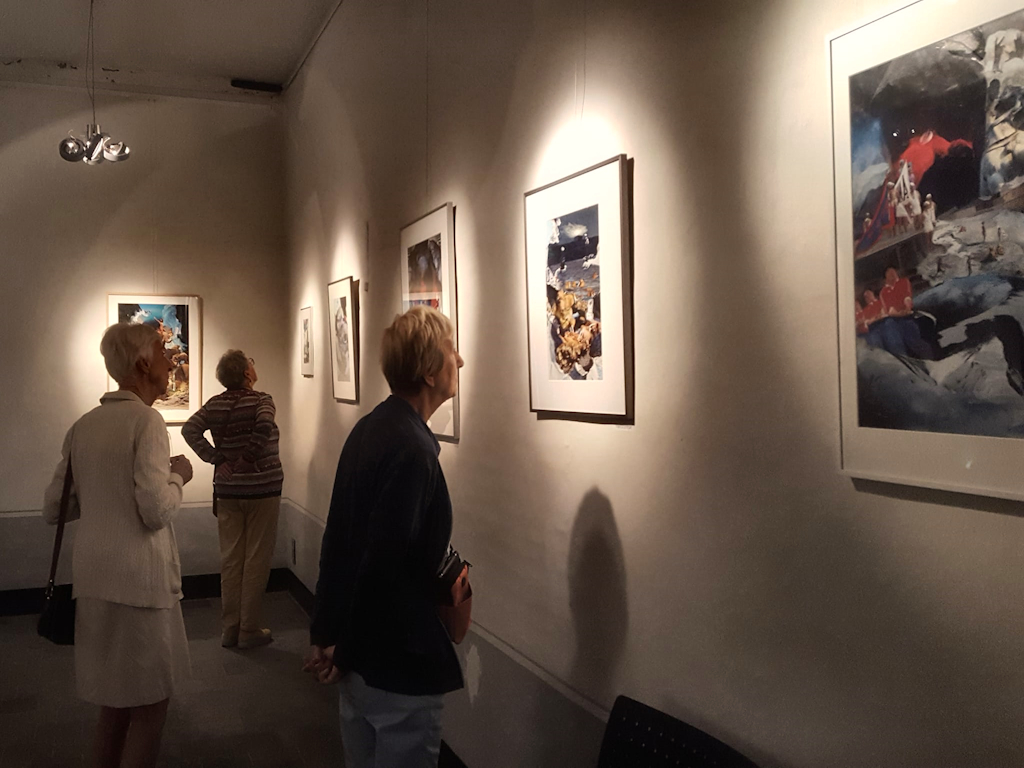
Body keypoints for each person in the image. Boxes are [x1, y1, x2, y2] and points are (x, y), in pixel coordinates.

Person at [306, 305, 465, 768]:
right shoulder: (413, 450)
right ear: (429, 372)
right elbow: (383, 564)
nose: (460, 360)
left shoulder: (371, 428)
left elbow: (338, 541)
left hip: (361, 657)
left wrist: (326, 632)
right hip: (396, 660)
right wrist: (343, 649)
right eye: (451, 351)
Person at [43, 322, 194, 768]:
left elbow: (55, 507)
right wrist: (178, 476)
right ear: (143, 363)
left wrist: (102, 494)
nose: (170, 361)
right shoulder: (147, 421)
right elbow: (156, 511)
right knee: (149, 705)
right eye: (162, 352)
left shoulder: (84, 425)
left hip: (93, 578)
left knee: (114, 704)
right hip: (139, 584)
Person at [181, 350, 283, 649]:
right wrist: (247, 459)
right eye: (251, 363)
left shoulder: (214, 404)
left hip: (227, 490)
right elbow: (264, 425)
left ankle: (230, 628)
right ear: (247, 373)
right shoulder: (262, 400)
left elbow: (190, 429)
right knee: (256, 559)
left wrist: (218, 460)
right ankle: (249, 629)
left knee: (231, 559)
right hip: (262, 488)